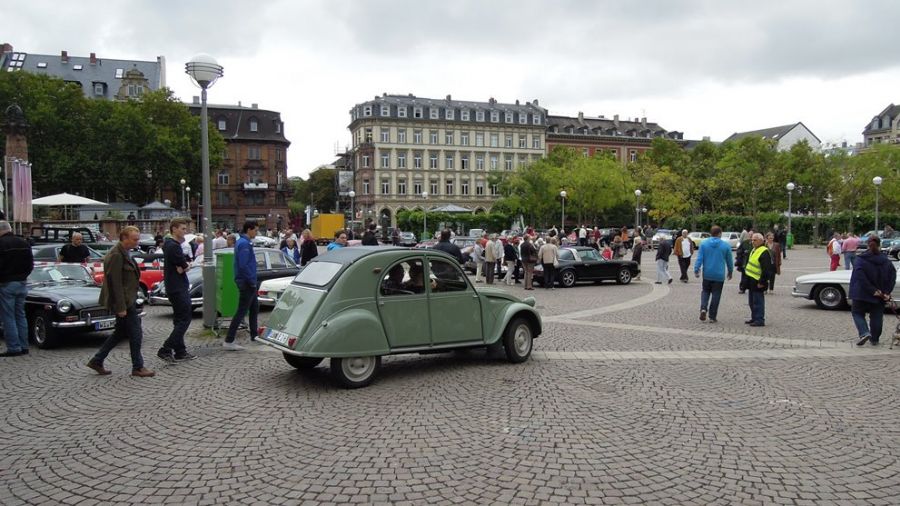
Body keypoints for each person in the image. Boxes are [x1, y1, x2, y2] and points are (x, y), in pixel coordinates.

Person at [86, 226, 154, 376]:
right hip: (124, 302)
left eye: (138, 239)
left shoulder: (125, 252)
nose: (137, 242)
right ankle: (138, 367)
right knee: (136, 333)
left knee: (120, 332)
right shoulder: (116, 255)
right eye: (134, 239)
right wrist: (121, 306)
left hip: (128, 299)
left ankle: (97, 360)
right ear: (124, 238)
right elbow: (114, 283)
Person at [157, 217, 196, 363]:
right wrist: (187, 265)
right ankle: (166, 348)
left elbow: (181, 266)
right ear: (174, 229)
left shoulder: (169, 244)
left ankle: (180, 351)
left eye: (186, 228)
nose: (185, 231)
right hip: (178, 287)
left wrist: (183, 266)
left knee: (179, 319)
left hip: (173, 285)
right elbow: (183, 267)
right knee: (185, 319)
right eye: (183, 229)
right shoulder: (173, 246)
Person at [851, 235, 896, 346]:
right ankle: (874, 339)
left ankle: (864, 332)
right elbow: (892, 277)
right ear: (880, 245)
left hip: (861, 293)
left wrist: (872, 290)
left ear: (867, 245)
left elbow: (860, 276)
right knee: (877, 316)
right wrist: (887, 292)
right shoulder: (886, 261)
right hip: (881, 294)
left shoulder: (860, 259)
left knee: (857, 313)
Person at [223, 220, 260, 351]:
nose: (256, 233)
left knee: (254, 308)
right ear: (249, 229)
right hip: (247, 282)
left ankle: (254, 335)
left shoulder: (243, 242)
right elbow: (243, 265)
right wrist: (251, 281)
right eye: (255, 230)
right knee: (241, 311)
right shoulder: (244, 243)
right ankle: (229, 340)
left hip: (247, 281)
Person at [0, 220, 34, 357]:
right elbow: (31, 264)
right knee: (20, 315)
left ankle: (14, 347)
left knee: (8, 317)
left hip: (6, 283)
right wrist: (23, 276)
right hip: (22, 282)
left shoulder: (1, 243)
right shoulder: (24, 243)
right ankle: (24, 346)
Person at [694, 226, 734, 323]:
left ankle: (703, 308)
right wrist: (730, 271)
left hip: (707, 273)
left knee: (705, 291)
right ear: (720, 233)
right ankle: (712, 316)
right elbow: (729, 260)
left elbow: (699, 258)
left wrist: (696, 269)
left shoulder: (704, 244)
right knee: (716, 294)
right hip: (719, 275)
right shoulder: (725, 245)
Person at [742, 233, 773, 327]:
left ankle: (759, 319)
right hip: (751, 280)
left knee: (758, 302)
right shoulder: (754, 249)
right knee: (752, 301)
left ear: (761, 240)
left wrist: (762, 282)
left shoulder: (764, 251)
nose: (752, 242)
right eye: (752, 240)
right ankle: (754, 317)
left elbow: (766, 269)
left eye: (755, 240)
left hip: (758, 281)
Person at [735, 230, 751, 294]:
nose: (751, 236)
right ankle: (742, 288)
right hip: (745, 262)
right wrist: (743, 253)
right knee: (744, 276)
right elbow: (739, 251)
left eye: (752, 235)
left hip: (753, 264)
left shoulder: (757, 243)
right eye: (750, 235)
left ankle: (751, 288)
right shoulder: (744, 243)